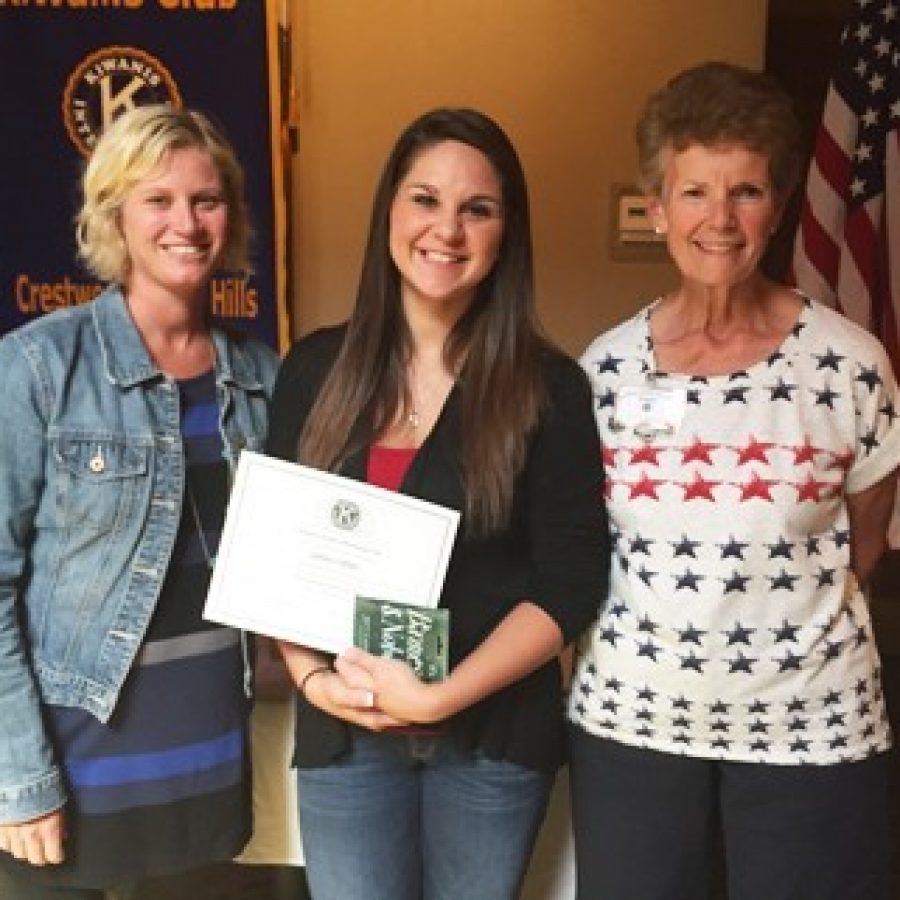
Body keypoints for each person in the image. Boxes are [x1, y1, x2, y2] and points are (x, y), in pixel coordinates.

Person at [568, 60, 900, 900]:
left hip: (809, 730)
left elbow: (864, 543)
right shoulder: (603, 370)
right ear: (657, 207)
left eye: (745, 192)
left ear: (780, 205)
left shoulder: (850, 364)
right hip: (634, 724)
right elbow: (582, 542)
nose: (719, 219)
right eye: (694, 192)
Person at [266, 106, 608, 900]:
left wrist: (437, 697)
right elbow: (273, 556)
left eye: (476, 209)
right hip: (343, 733)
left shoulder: (550, 389)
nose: (446, 230)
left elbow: (571, 580)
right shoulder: (315, 369)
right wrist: (316, 681)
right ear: (390, 209)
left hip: (490, 736)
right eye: (425, 199)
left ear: (505, 233)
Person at [0, 104, 279, 898]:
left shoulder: (266, 380)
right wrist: (18, 777)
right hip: (71, 779)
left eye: (207, 199)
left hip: (209, 770)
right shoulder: (37, 368)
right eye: (158, 200)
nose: (185, 223)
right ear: (115, 216)